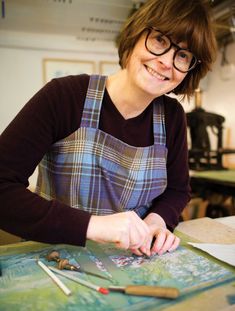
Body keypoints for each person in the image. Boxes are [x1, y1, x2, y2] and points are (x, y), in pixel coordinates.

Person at [0, 0, 216, 257]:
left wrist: (157, 220)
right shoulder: (64, 96)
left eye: (182, 55)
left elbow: (178, 190)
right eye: (160, 40)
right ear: (135, 36)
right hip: (56, 258)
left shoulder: (172, 116)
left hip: (134, 259)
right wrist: (93, 225)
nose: (166, 62)